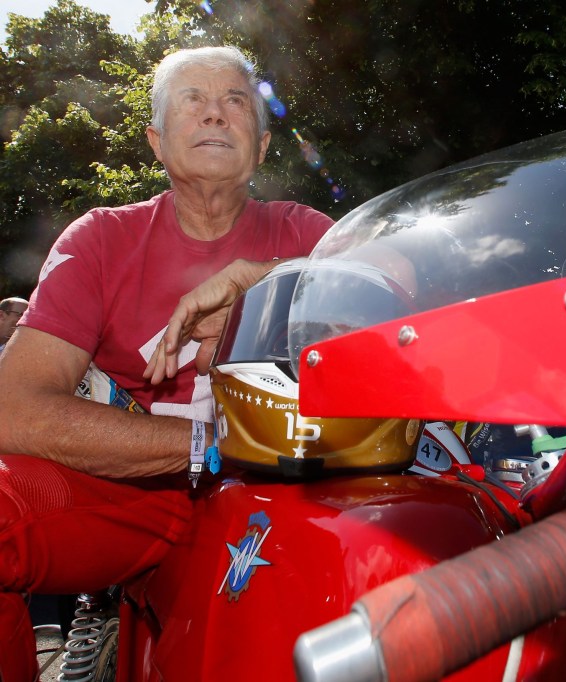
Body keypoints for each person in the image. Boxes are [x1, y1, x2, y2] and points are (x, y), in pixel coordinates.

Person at [0, 46, 334, 679]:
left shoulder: (307, 234)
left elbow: (406, 288)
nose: (215, 114)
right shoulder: (100, 239)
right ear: (156, 141)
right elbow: (13, 410)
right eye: (193, 100)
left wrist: (264, 280)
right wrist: (210, 443)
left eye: (237, 101)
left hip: (296, 496)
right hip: (142, 495)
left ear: (262, 148)